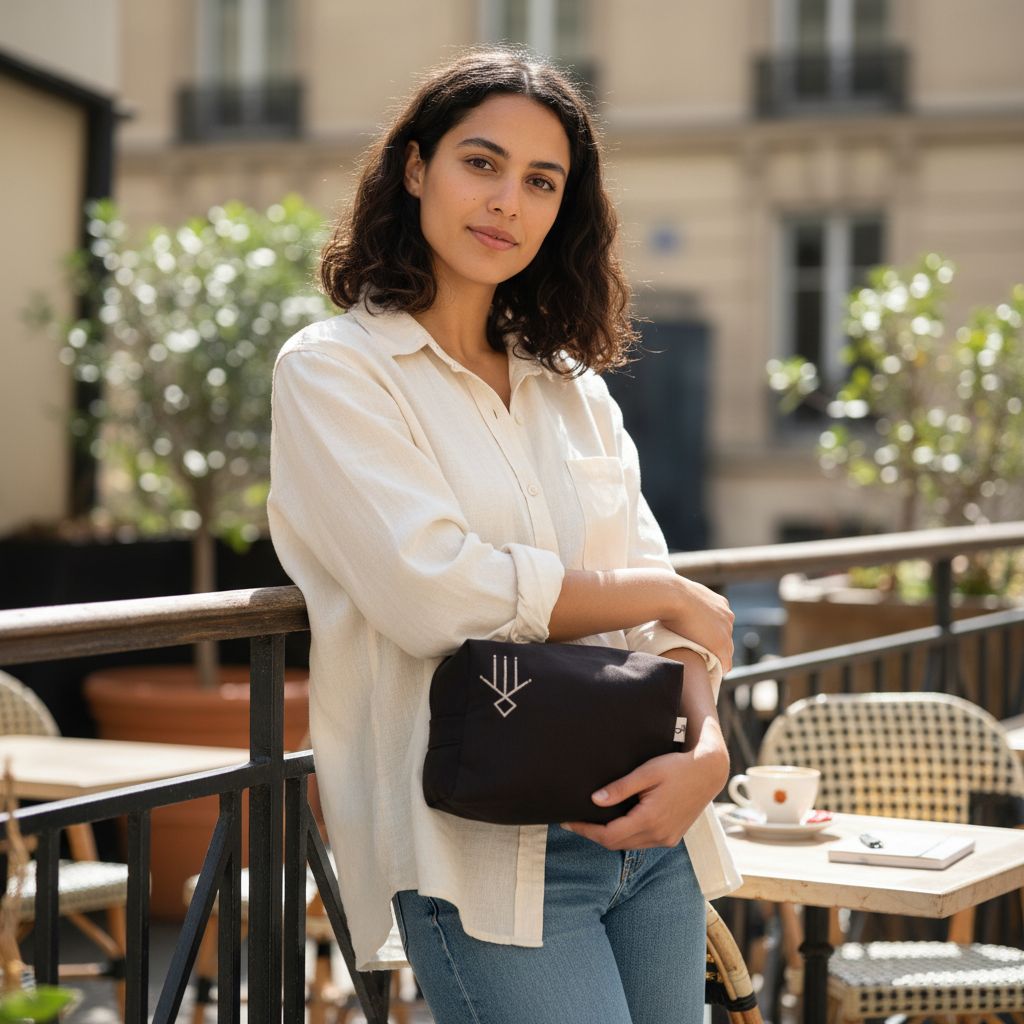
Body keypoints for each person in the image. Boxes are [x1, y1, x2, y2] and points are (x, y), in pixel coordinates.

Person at [267, 47, 741, 1024]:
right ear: (414, 167)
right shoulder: (337, 370)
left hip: (654, 830)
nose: (506, 203)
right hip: (478, 849)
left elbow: (656, 594)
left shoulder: (571, 387)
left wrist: (710, 750)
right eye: (480, 163)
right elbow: (431, 588)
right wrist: (659, 597)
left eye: (540, 181)